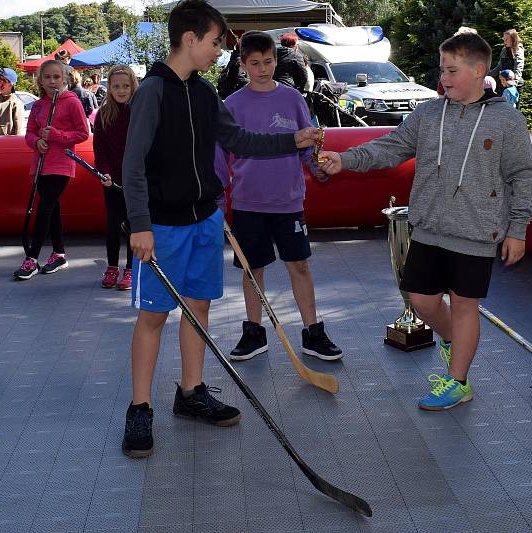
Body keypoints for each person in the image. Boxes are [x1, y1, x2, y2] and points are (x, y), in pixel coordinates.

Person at [120, 0, 319, 458]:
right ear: (190, 40)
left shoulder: (205, 93)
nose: (218, 53)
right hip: (162, 227)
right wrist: (141, 225)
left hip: (206, 219)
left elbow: (240, 141)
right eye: (213, 43)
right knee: (153, 317)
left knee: (199, 309)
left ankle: (191, 392)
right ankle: (140, 408)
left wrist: (293, 140)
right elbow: (133, 165)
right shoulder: (152, 91)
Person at [318, 31, 532, 411]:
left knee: (465, 305)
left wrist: (517, 230)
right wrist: (345, 159)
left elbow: (524, 176)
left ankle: (458, 381)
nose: (444, 78)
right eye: (442, 70)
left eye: (452, 70)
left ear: (478, 69)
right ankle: (457, 342)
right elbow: (389, 147)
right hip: (429, 228)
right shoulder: (428, 113)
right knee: (422, 301)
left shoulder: (506, 120)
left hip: (475, 233)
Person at [214, 31, 342, 363]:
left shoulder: (293, 100)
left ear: (276, 59)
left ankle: (313, 332)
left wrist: (319, 167)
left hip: (288, 201)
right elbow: (220, 156)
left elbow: (308, 148)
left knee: (298, 264)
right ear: (242, 65)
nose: (262, 69)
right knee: (252, 269)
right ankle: (253, 332)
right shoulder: (232, 105)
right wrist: (215, 200)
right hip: (247, 202)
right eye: (254, 63)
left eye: (268, 62)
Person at [14, 59, 90, 280]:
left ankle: (32, 257)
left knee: (45, 206)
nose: (52, 81)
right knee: (53, 207)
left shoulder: (72, 101)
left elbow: (82, 133)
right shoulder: (38, 105)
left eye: (56, 77)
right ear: (40, 80)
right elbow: (29, 133)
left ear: (65, 79)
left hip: (62, 163)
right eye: (47, 77)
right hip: (40, 163)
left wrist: (57, 135)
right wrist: (37, 141)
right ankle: (59, 253)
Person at [93, 64, 137, 290]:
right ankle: (112, 266)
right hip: (111, 181)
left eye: (126, 86)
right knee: (113, 226)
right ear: (109, 88)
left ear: (133, 86)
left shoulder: (139, 112)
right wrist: (104, 172)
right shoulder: (103, 115)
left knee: (132, 225)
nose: (121, 90)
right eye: (116, 86)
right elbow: (99, 150)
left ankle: (131, 268)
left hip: (135, 181)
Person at [0, 67, 25, 135]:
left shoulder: (16, 103)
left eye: (0, 81)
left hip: (8, 143)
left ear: (10, 84)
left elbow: (19, 129)